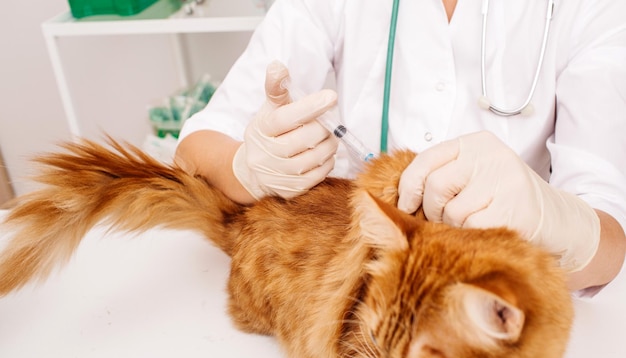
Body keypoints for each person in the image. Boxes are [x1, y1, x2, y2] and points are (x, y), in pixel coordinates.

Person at [175, 0, 626, 294]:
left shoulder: (593, 10)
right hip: (362, 276)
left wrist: (554, 221)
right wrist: (247, 169)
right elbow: (196, 147)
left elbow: (609, 247)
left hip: (505, 291)